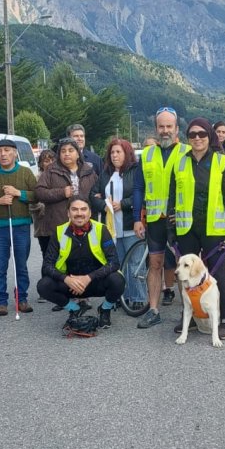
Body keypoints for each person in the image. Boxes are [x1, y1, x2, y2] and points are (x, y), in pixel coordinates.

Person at [171, 116, 225, 340]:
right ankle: (188, 316)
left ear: (210, 136)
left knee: (218, 274)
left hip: (213, 229)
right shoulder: (180, 162)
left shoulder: (222, 162)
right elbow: (173, 198)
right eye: (192, 134)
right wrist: (172, 230)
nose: (197, 138)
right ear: (187, 138)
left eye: (202, 134)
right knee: (185, 276)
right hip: (187, 228)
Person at [37, 198, 126, 330]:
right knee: (43, 285)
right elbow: (47, 265)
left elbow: (114, 263)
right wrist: (66, 279)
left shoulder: (101, 229)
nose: (79, 213)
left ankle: (105, 309)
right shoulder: (59, 232)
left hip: (95, 281)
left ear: (90, 213)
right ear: (68, 213)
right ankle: (74, 308)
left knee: (118, 280)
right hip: (70, 284)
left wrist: (88, 278)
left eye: (83, 209)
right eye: (75, 209)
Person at [134, 107, 186, 329]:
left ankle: (188, 312)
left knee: (184, 266)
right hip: (155, 219)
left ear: (177, 129)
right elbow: (138, 188)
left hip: (180, 220)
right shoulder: (146, 155)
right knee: (155, 264)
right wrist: (137, 218)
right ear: (156, 128)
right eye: (161, 127)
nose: (165, 131)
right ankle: (153, 310)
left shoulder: (188, 152)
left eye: (169, 127)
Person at [36, 138, 99, 311]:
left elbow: (97, 189)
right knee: (61, 263)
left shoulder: (88, 170)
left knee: (83, 260)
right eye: (63, 151)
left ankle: (84, 297)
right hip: (59, 223)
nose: (66, 154)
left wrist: (98, 197)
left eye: (70, 150)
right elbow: (39, 192)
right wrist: (61, 192)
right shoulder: (51, 171)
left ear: (77, 153)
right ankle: (63, 298)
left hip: (84, 223)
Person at [0, 138, 38, 316]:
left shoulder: (26, 172)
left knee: (21, 264)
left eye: (6, 150)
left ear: (14, 152)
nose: (3, 154)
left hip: (20, 225)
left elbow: (37, 195)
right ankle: (1, 301)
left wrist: (18, 193)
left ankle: (22, 298)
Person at [91, 137, 143, 264]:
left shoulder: (136, 171)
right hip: (111, 228)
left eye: (118, 152)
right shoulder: (105, 174)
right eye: (112, 152)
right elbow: (92, 195)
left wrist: (122, 204)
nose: (114, 155)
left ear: (127, 153)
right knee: (117, 265)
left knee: (134, 266)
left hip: (131, 227)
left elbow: (142, 194)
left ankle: (135, 286)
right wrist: (104, 205)